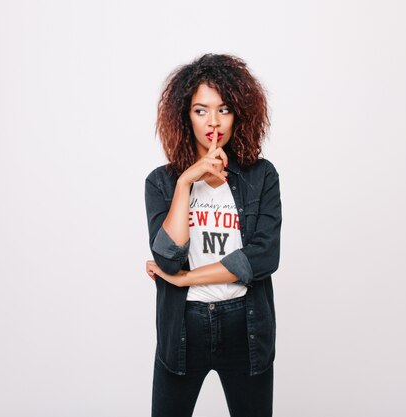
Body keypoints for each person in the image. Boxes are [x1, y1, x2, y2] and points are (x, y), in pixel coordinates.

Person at [144, 53, 282, 417]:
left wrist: (185, 278)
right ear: (184, 116)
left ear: (239, 114)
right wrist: (186, 182)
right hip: (183, 328)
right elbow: (167, 258)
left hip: (245, 325)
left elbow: (264, 257)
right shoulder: (161, 182)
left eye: (223, 110)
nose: (213, 122)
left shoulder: (261, 176)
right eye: (200, 110)